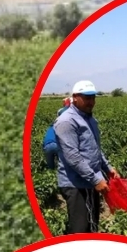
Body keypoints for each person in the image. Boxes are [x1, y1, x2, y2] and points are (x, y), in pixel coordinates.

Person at [53, 80, 120, 234]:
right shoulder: (67, 121)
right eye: (86, 98)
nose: (91, 101)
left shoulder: (90, 120)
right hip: (76, 184)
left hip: (89, 181)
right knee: (80, 230)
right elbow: (73, 157)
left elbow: (94, 149)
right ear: (75, 97)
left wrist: (108, 168)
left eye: (93, 97)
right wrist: (96, 179)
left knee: (92, 225)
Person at [41, 97, 73, 169]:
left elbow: (43, 144)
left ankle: (51, 170)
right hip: (56, 145)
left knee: (50, 166)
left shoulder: (49, 129)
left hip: (47, 147)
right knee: (62, 163)